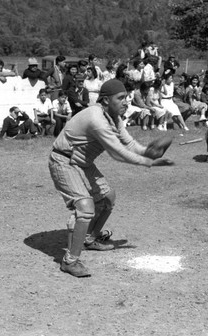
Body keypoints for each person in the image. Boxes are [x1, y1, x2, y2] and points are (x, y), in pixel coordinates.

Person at [48, 79, 174, 277]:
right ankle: (69, 261)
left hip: (82, 163)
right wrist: (148, 162)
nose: (126, 102)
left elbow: (129, 145)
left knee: (108, 198)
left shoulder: (114, 118)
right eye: (121, 98)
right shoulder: (96, 118)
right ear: (105, 100)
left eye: (127, 97)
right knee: (85, 208)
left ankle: (89, 238)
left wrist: (149, 152)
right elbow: (117, 152)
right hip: (63, 161)